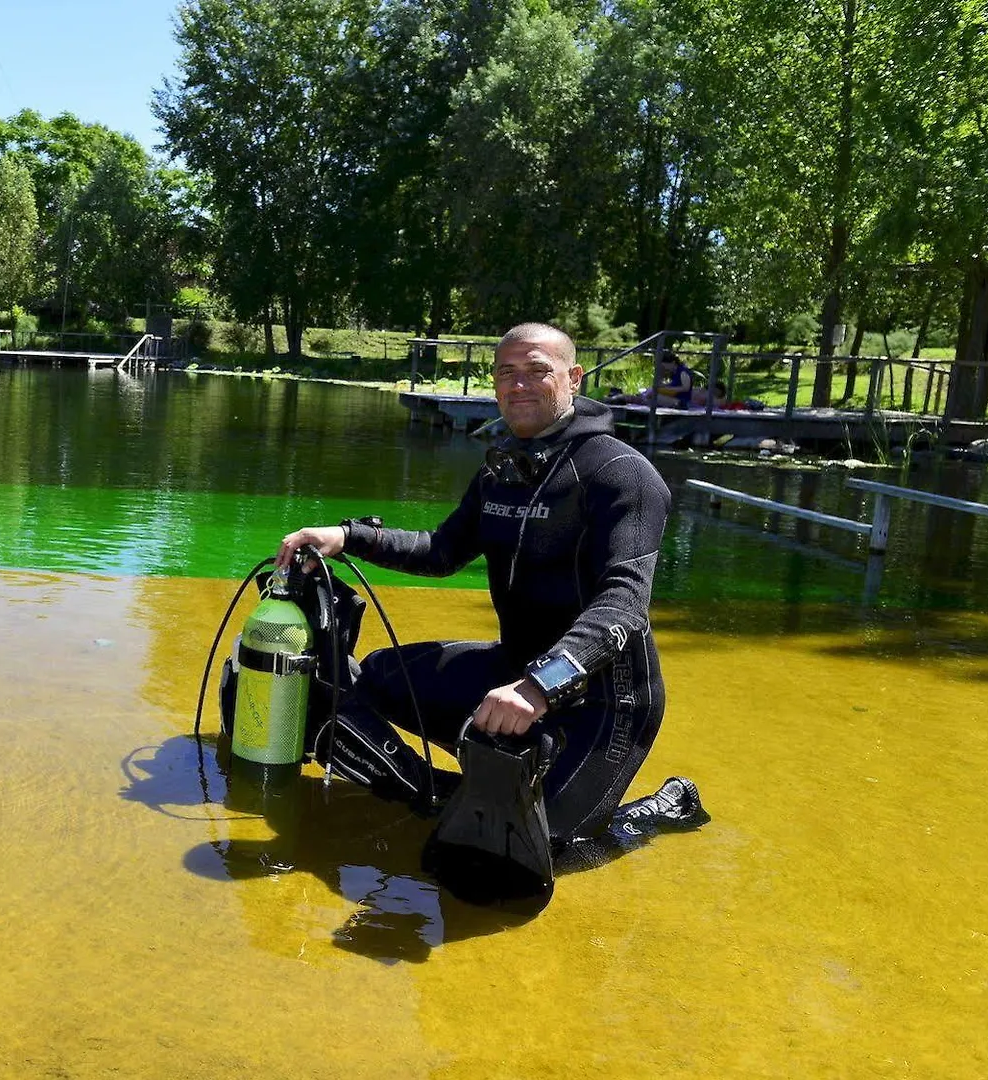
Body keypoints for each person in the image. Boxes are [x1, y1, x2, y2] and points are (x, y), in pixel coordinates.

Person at [276, 323, 707, 863]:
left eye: (537, 371)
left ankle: (662, 807)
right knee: (377, 679)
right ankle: (442, 794)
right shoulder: (504, 471)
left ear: (573, 378)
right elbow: (441, 550)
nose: (518, 385)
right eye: (507, 373)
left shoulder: (624, 475)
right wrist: (346, 536)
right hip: (514, 670)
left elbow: (624, 601)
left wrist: (540, 685)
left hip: (604, 700)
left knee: (538, 852)